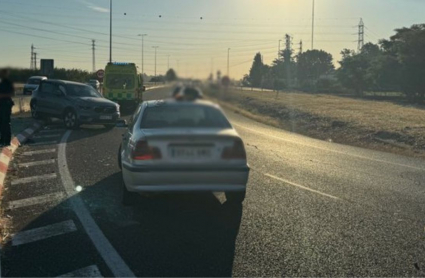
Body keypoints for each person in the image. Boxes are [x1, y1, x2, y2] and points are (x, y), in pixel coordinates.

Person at [0, 69, 15, 147]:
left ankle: (7, 140)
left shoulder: (8, 83)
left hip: (6, 104)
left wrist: (2, 96)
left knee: (6, 122)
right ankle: (2, 140)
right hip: (2, 104)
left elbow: (12, 93)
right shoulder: (2, 83)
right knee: (2, 123)